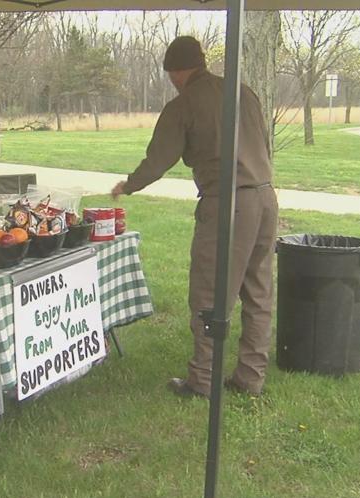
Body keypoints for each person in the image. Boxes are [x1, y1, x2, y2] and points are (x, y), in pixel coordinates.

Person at [111, 36, 279, 398]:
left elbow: (159, 157)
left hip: (227, 204)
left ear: (174, 71)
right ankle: (251, 377)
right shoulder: (243, 91)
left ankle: (202, 380)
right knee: (259, 292)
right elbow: (264, 144)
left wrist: (130, 184)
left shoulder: (184, 103)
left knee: (208, 293)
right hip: (265, 198)